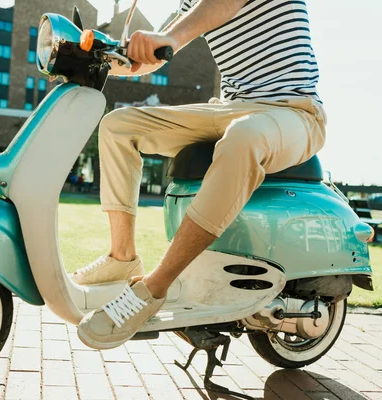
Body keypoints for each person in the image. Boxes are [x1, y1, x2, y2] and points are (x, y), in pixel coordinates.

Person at [75, 0, 327, 349]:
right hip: (234, 108)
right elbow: (154, 54)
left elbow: (217, 8)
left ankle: (153, 288)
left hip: (295, 110)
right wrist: (100, 58)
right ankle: (122, 258)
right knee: (118, 126)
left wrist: (167, 38)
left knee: (244, 137)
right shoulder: (191, 4)